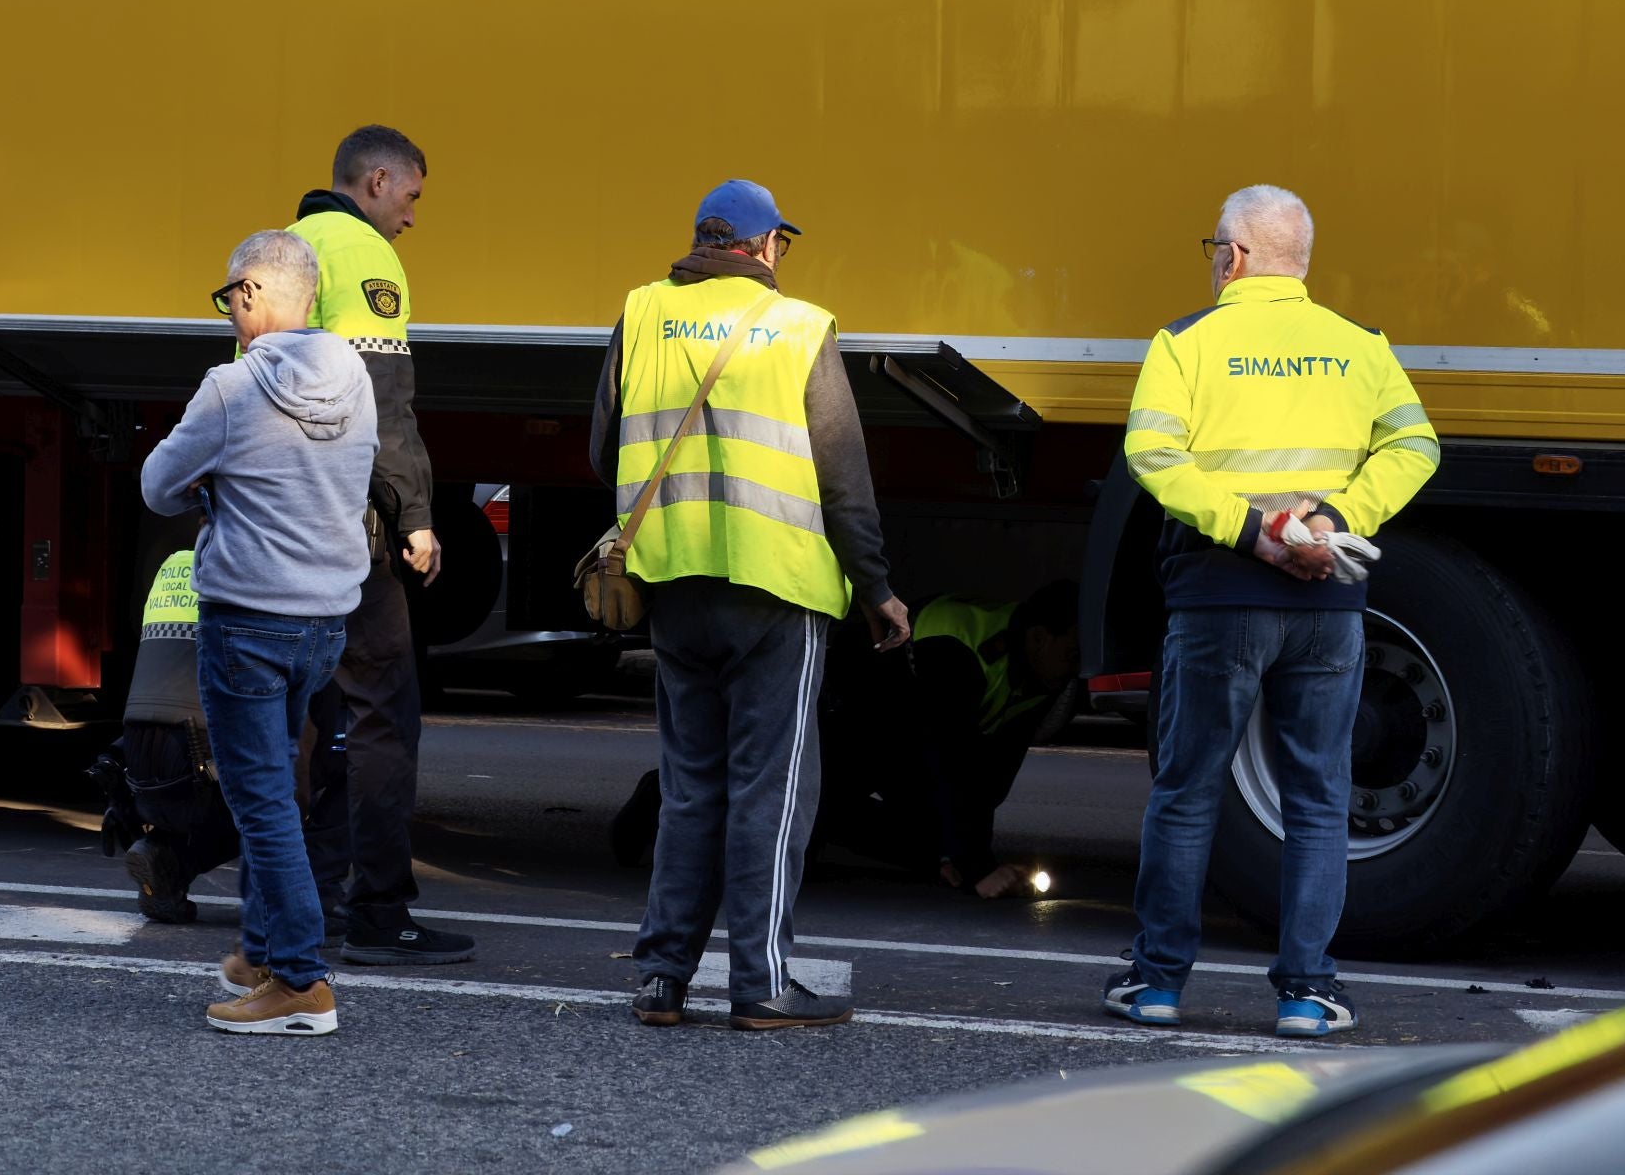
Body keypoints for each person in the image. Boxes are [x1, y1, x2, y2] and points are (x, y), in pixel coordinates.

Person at [1105, 185, 1439, 1038]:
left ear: (1235, 255)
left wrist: (1250, 531)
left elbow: (1150, 453)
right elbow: (1417, 444)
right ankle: (1306, 992)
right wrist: (1334, 521)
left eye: (1214, 248)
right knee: (1319, 797)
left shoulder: (1186, 343)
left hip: (1221, 597)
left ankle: (1157, 986)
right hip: (1328, 599)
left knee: (1187, 788)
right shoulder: (1359, 347)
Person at [590, 178, 912, 1031]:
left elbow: (602, 446)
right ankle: (761, 983)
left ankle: (661, 979)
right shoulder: (800, 326)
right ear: (766, 247)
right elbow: (844, 479)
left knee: (691, 788)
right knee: (771, 792)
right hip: (778, 592)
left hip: (671, 585)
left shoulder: (642, 311)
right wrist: (875, 586)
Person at [141, 229, 377, 1035]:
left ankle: (301, 982)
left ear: (251, 293)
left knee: (263, 799)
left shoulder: (230, 388)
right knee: (279, 785)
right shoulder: (356, 376)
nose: (230, 314)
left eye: (230, 299)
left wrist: (218, 471)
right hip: (324, 625)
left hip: (248, 621)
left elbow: (156, 486)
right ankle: (260, 949)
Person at [289, 125, 475, 967]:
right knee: (382, 717)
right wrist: (416, 518)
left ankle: (305, 902)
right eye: (411, 196)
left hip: (280, 525)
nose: (412, 217)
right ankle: (379, 913)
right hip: (347, 527)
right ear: (374, 182)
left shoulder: (284, 248)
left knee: (307, 718)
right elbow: (383, 404)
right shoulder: (363, 254)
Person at [94, 542, 348, 933]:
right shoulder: (275, 575)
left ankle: (171, 858)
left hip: (138, 767)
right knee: (344, 761)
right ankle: (314, 894)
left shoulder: (175, 563)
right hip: (198, 767)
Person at [819, 581, 1079, 898]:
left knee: (939, 835)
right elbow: (951, 761)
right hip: (847, 715)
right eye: (1072, 654)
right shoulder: (961, 652)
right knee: (823, 807)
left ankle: (943, 859)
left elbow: (990, 779)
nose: (1076, 669)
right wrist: (978, 869)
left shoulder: (1040, 669)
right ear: (1039, 638)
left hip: (904, 729)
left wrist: (970, 858)